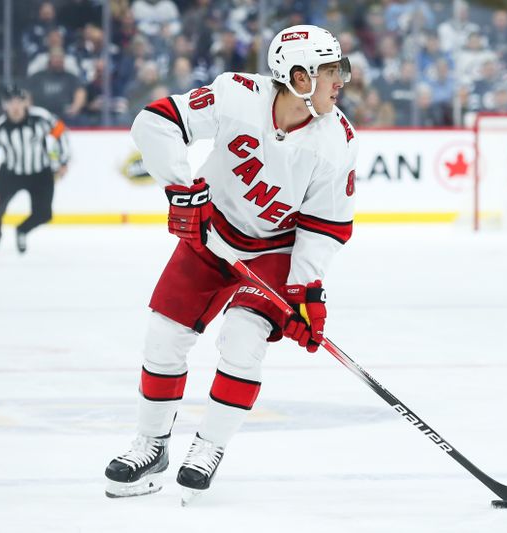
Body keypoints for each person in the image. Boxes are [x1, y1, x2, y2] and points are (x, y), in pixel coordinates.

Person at [104, 24, 358, 505]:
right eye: (330, 71)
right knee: (163, 336)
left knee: (242, 341)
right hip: (210, 234)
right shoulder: (236, 93)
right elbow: (154, 122)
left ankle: (208, 447)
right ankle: (153, 445)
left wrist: (307, 293)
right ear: (298, 77)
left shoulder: (337, 141)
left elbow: (325, 228)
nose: (340, 81)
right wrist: (182, 187)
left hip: (273, 255)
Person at [0, 85, 71, 260]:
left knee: (44, 214)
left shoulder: (41, 118)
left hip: (40, 173)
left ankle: (22, 230)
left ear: (26, 103)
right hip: (11, 173)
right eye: (11, 102)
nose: (16, 106)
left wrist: (63, 161)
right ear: (5, 105)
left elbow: (60, 132)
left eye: (19, 101)